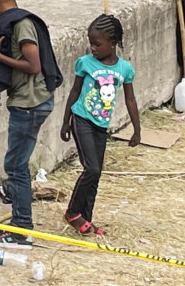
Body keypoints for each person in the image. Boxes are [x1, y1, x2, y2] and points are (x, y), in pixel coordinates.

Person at [0, 0, 62, 250]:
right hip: (33, 100)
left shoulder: (21, 24)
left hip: (29, 104)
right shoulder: (19, 19)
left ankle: (22, 229)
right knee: (17, 163)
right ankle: (20, 220)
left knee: (16, 166)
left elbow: (33, 65)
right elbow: (22, 61)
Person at [60, 14, 140, 236]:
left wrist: (137, 129)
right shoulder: (85, 63)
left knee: (96, 174)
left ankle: (87, 219)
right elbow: (75, 91)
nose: (92, 48)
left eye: (97, 43)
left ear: (112, 43)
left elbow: (130, 99)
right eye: (90, 42)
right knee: (91, 168)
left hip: (100, 124)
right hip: (81, 118)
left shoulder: (125, 69)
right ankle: (73, 212)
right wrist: (65, 121)